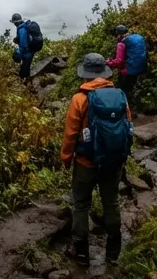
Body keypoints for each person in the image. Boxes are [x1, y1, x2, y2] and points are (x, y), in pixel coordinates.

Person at [61, 52, 133, 266]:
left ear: (86, 74)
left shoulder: (79, 99)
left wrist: (66, 158)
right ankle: (112, 253)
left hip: (86, 162)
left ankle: (82, 254)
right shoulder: (120, 95)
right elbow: (127, 126)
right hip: (113, 161)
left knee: (81, 204)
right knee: (111, 202)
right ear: (104, 73)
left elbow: (71, 133)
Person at [106, 25, 147, 105]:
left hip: (127, 71)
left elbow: (119, 61)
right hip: (138, 69)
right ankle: (132, 109)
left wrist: (108, 62)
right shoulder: (135, 39)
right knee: (129, 89)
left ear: (118, 34)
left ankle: (123, 111)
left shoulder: (121, 44)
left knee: (121, 91)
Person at [10, 13, 42, 83]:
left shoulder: (22, 29)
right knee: (27, 66)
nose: (14, 24)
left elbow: (23, 45)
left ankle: (25, 83)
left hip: (28, 52)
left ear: (16, 22)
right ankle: (27, 79)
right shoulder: (25, 25)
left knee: (25, 68)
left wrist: (17, 53)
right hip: (32, 49)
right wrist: (17, 39)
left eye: (14, 23)